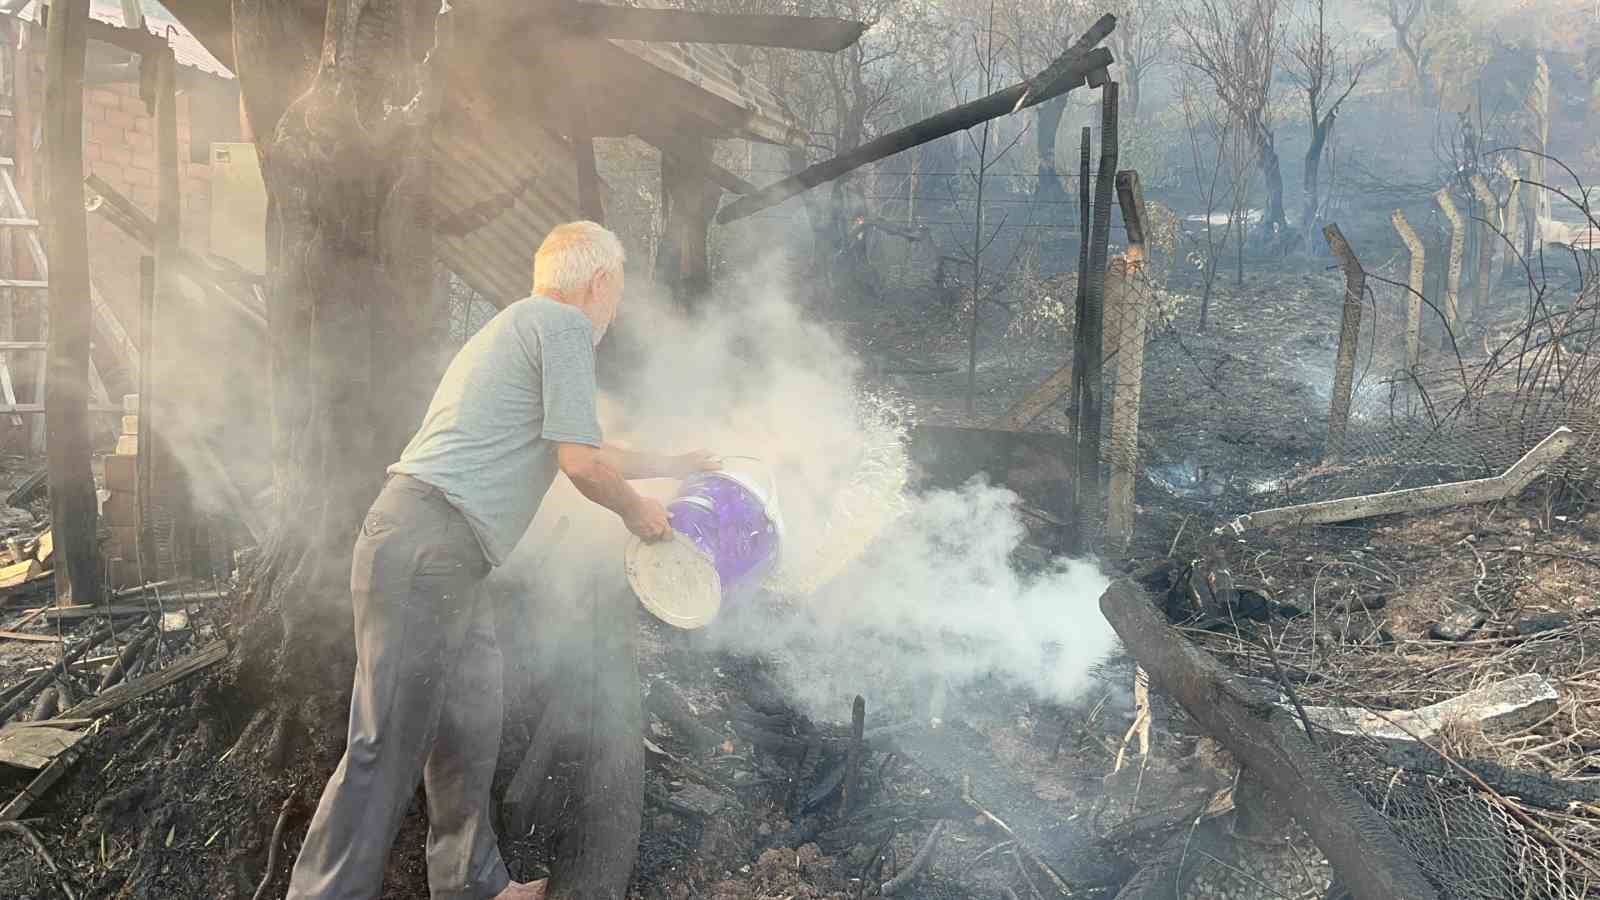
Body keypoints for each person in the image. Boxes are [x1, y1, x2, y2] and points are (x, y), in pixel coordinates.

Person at [286, 221, 717, 899]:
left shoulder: (523, 327)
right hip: (426, 545)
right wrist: (638, 512)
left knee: (468, 718)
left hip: (444, 555)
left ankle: (472, 885)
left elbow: (583, 447)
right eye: (618, 295)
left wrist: (677, 464)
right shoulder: (564, 328)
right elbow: (581, 466)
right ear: (599, 282)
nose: (615, 311)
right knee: (385, 746)